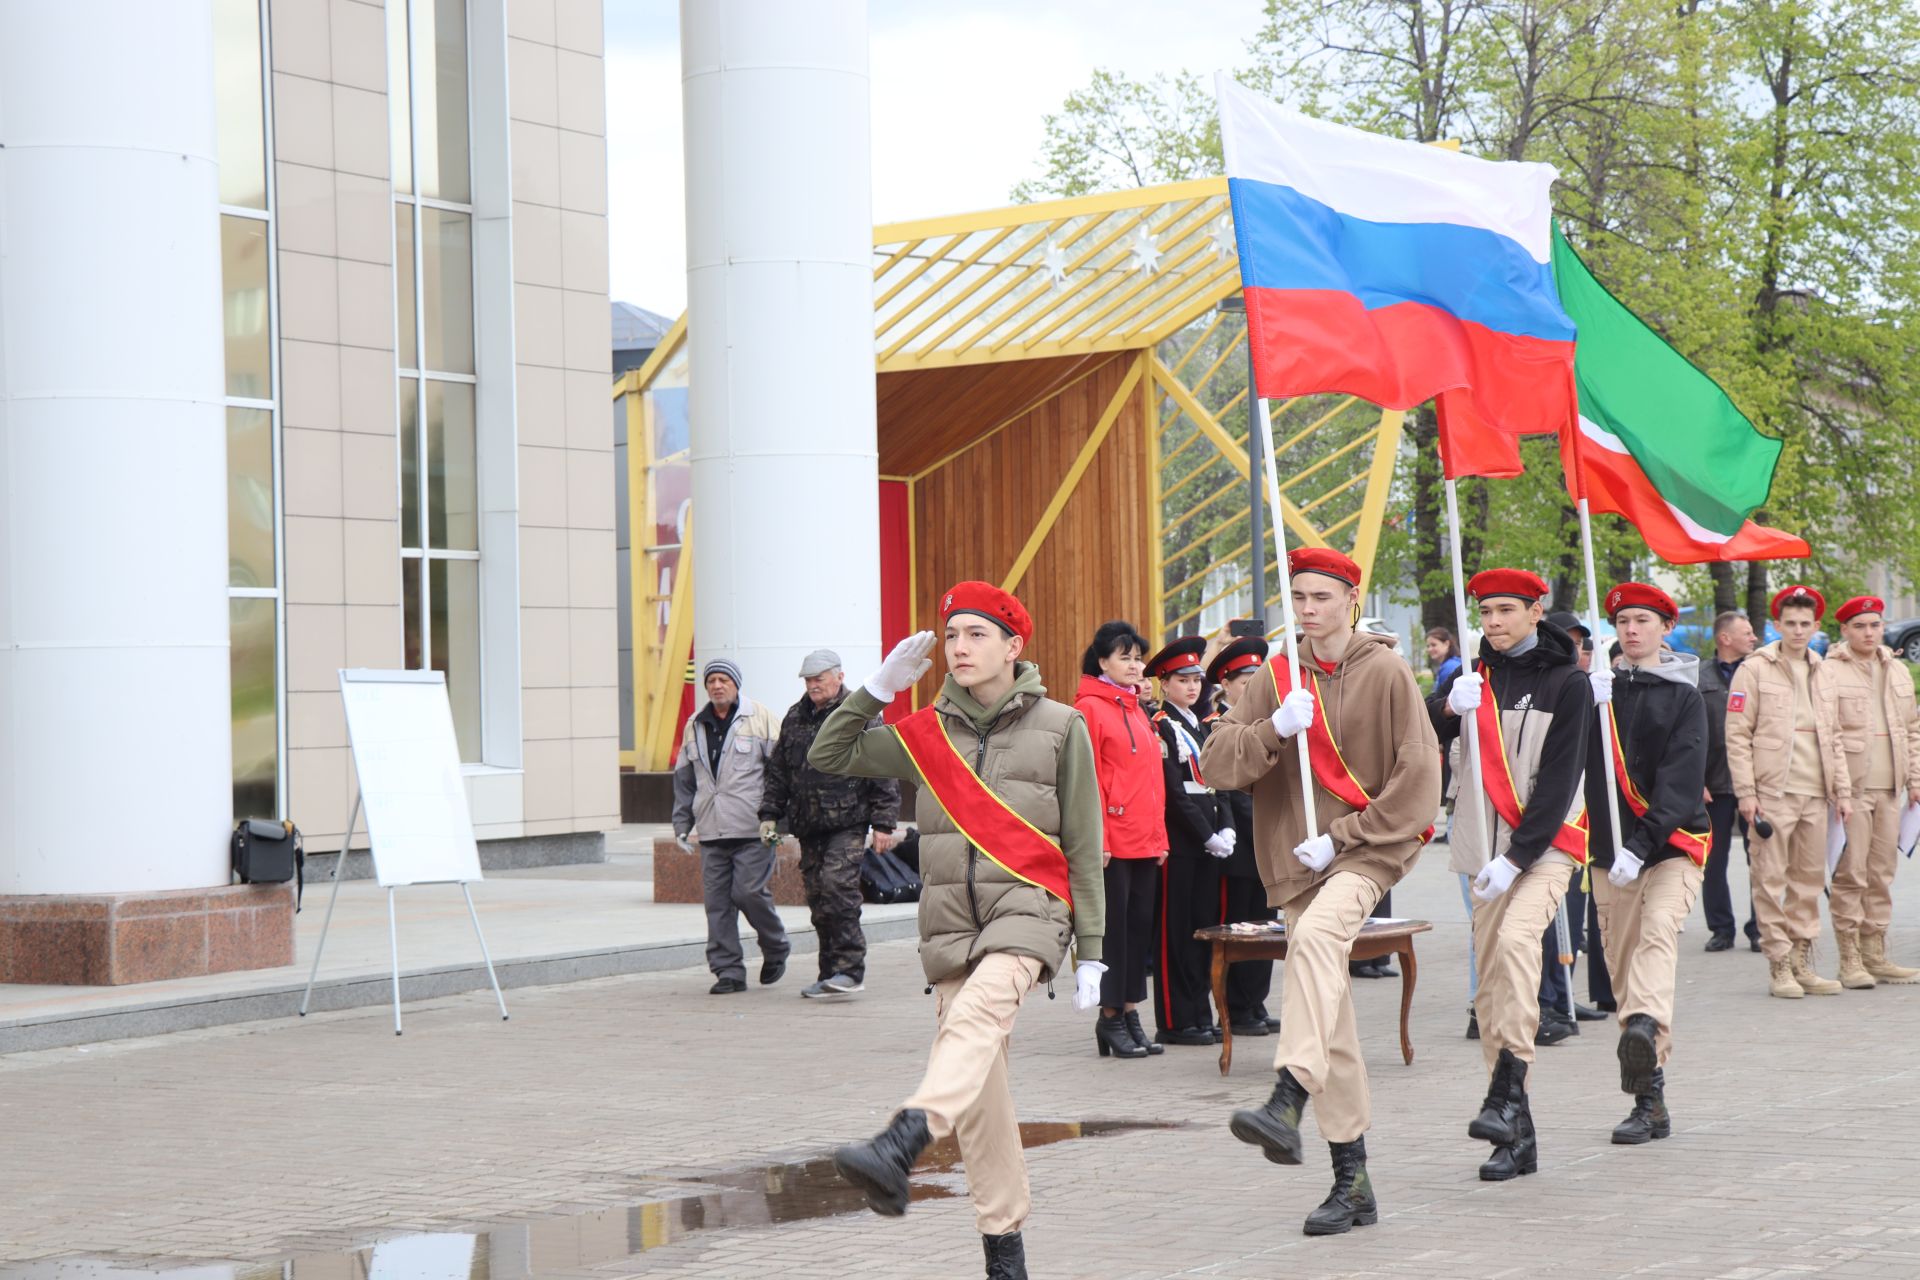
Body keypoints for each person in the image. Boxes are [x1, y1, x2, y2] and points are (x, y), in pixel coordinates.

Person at [811, 582, 1106, 1280]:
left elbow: (1087, 848)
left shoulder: (1063, 726)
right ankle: (1005, 1255)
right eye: (952, 637)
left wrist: (1091, 950)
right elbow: (829, 756)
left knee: (972, 1021)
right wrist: (877, 688)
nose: (961, 648)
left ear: (1014, 646)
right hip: (950, 927)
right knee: (981, 1097)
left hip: (1028, 914)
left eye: (977, 634)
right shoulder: (927, 735)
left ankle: (904, 1137)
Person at [1206, 548, 1441, 1235]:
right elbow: (1219, 763)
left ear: (1351, 598)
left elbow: (1420, 782)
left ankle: (1286, 1094)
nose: (1308, 609)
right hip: (1290, 864)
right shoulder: (1276, 676)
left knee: (1313, 941)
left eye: (1321, 597)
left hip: (1366, 854)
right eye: (1299, 597)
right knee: (1330, 1020)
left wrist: (1342, 838)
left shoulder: (1389, 672)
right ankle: (1353, 1182)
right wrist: (1272, 730)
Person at [1429, 569, 1594, 1181]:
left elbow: (1560, 782)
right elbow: (1422, 736)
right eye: (1486, 611)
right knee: (1492, 987)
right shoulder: (1475, 676)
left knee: (1521, 943)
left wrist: (1516, 856)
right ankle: (1515, 1132)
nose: (1494, 622)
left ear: (1535, 610)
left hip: (1545, 846)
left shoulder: (1567, 682)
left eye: (1506, 610)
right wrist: (1448, 704)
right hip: (1482, 848)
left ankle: (1504, 1090)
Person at [1584, 584, 1712, 1145]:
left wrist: (1643, 843)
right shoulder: (1596, 691)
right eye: (1624, 621)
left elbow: (1683, 780)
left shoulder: (1685, 695)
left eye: (1644, 620)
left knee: (1657, 936)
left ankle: (1642, 1027)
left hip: (1671, 845)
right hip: (1607, 854)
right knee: (1622, 965)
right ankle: (1650, 1099)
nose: (1632, 630)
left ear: (1665, 628)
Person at [1725, 585, 1853, 999]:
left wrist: (1844, 792)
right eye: (1790, 623)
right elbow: (1737, 733)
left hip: (1816, 793)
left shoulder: (1824, 670)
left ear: (1816, 626)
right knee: (1769, 879)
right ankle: (1779, 963)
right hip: (1772, 792)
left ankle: (1801, 959)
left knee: (1808, 882)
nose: (1798, 631)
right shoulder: (1755, 668)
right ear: (1776, 625)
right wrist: (1746, 792)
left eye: (1805, 624)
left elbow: (1834, 736)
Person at [759, 649, 901, 999]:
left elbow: (882, 768)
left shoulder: (859, 714)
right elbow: (779, 771)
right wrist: (768, 815)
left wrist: (884, 823)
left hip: (848, 821)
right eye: (808, 680)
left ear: (839, 676)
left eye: (818, 678)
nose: (812, 685)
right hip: (808, 824)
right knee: (819, 899)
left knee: (838, 888)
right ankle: (829, 974)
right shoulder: (795, 716)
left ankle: (850, 970)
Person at [1076, 620, 1170, 1060]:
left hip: (1144, 838)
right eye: (1125, 657)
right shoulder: (1090, 709)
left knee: (1137, 932)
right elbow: (1089, 778)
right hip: (1112, 840)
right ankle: (1109, 1017)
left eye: (1138, 657)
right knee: (1112, 934)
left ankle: (1130, 1011)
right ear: (1102, 662)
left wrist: (1160, 836)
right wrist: (1099, 838)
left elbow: (1153, 780)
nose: (1136, 666)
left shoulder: (1135, 708)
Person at [672, 659, 791, 995]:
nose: (717, 686)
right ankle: (728, 971)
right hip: (711, 829)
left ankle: (776, 945)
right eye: (711, 681)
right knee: (718, 904)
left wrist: (779, 819)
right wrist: (682, 822)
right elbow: (684, 780)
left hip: (754, 828)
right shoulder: (695, 724)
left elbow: (781, 772)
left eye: (724, 680)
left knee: (748, 892)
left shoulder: (761, 719)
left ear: (737, 684)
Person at [1825, 596, 1920, 986]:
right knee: (1852, 873)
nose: (1868, 632)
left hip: (1889, 789)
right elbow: (1827, 733)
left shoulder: (1896, 670)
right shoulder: (1830, 672)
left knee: (1882, 873)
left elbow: (1912, 728)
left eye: (1874, 625)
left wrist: (1914, 779)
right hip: (1853, 789)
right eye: (1859, 626)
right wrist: (1838, 789)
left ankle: (1875, 953)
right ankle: (1849, 959)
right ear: (1845, 630)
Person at [1146, 635, 1234, 1047]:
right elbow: (1174, 793)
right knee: (1176, 936)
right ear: (1165, 684)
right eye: (1183, 679)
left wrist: (1227, 826)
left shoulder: (1200, 725)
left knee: (1203, 932)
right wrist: (1206, 835)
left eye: (1197, 678)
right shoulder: (1162, 725)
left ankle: (1199, 1011)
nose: (1193, 686)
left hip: (1210, 836)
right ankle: (1176, 1019)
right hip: (1184, 842)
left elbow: (1217, 782)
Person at [1208, 635, 1280, 1036]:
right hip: (1239, 845)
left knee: (1266, 927)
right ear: (1225, 684)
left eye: (1257, 679)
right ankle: (1233, 1007)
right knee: (1239, 930)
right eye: (1244, 681)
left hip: (1268, 843)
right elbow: (1226, 790)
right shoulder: (1217, 725)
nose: (1252, 688)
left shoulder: (1268, 723)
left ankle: (1255, 1002)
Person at [1697, 610, 1761, 952]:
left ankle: (1759, 929)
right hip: (1714, 786)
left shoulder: (1758, 673)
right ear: (1725, 639)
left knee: (1761, 858)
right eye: (1746, 633)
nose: (1753, 638)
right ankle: (1721, 929)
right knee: (1714, 859)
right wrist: (1697, 781)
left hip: (1755, 783)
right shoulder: (1698, 677)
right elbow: (1690, 734)